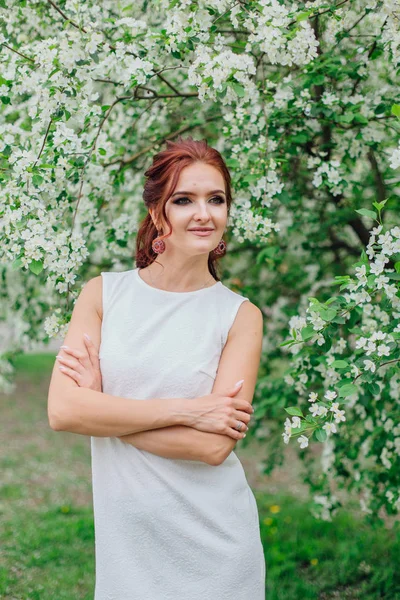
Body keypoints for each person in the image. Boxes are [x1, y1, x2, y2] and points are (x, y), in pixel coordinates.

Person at [48, 136, 266, 599]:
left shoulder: (240, 317)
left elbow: (211, 449)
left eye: (216, 199)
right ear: (156, 213)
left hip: (217, 548)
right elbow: (64, 412)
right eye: (183, 200)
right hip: (128, 553)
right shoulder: (103, 295)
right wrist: (187, 411)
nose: (203, 213)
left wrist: (104, 411)